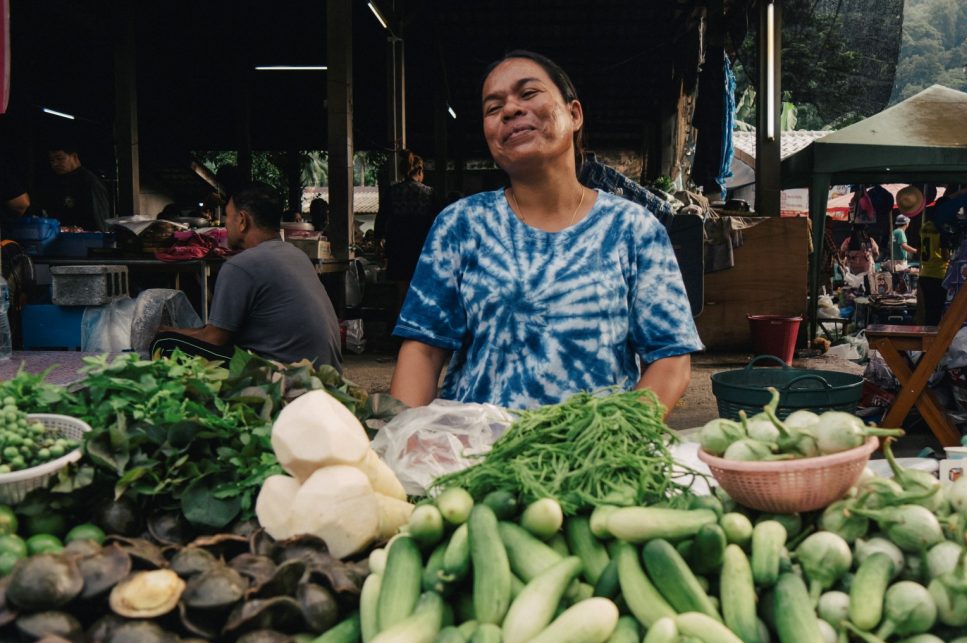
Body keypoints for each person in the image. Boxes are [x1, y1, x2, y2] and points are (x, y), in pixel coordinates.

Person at [389, 50, 703, 416]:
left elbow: (670, 359)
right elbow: (423, 352)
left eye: (528, 93)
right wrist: (400, 441)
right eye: (493, 108)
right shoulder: (461, 226)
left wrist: (619, 440)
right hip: (476, 457)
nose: (509, 110)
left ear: (574, 114)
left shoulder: (633, 229)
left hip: (596, 456)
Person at [150, 184, 343, 371]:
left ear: (242, 221)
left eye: (228, 216)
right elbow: (220, 331)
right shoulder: (297, 255)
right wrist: (175, 329)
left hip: (286, 377)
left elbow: (214, 338)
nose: (226, 223)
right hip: (325, 375)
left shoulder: (241, 265)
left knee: (165, 344)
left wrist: (167, 333)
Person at [375, 149, 440, 309]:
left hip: (398, 248)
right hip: (421, 248)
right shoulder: (429, 193)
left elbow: (381, 218)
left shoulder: (392, 191)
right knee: (420, 291)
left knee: (401, 293)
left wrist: (378, 239)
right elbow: (439, 223)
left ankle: (400, 326)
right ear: (419, 171)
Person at [35, 144, 111, 229]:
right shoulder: (54, 182)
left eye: (60, 159)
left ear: (74, 156)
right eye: (52, 160)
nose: (55, 164)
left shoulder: (89, 182)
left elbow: (99, 221)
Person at [916, 209, 951, 326]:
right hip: (939, 275)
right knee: (937, 313)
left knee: (927, 313)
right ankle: (933, 342)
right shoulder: (942, 229)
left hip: (924, 275)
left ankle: (926, 340)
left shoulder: (924, 227)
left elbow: (919, 250)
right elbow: (945, 256)